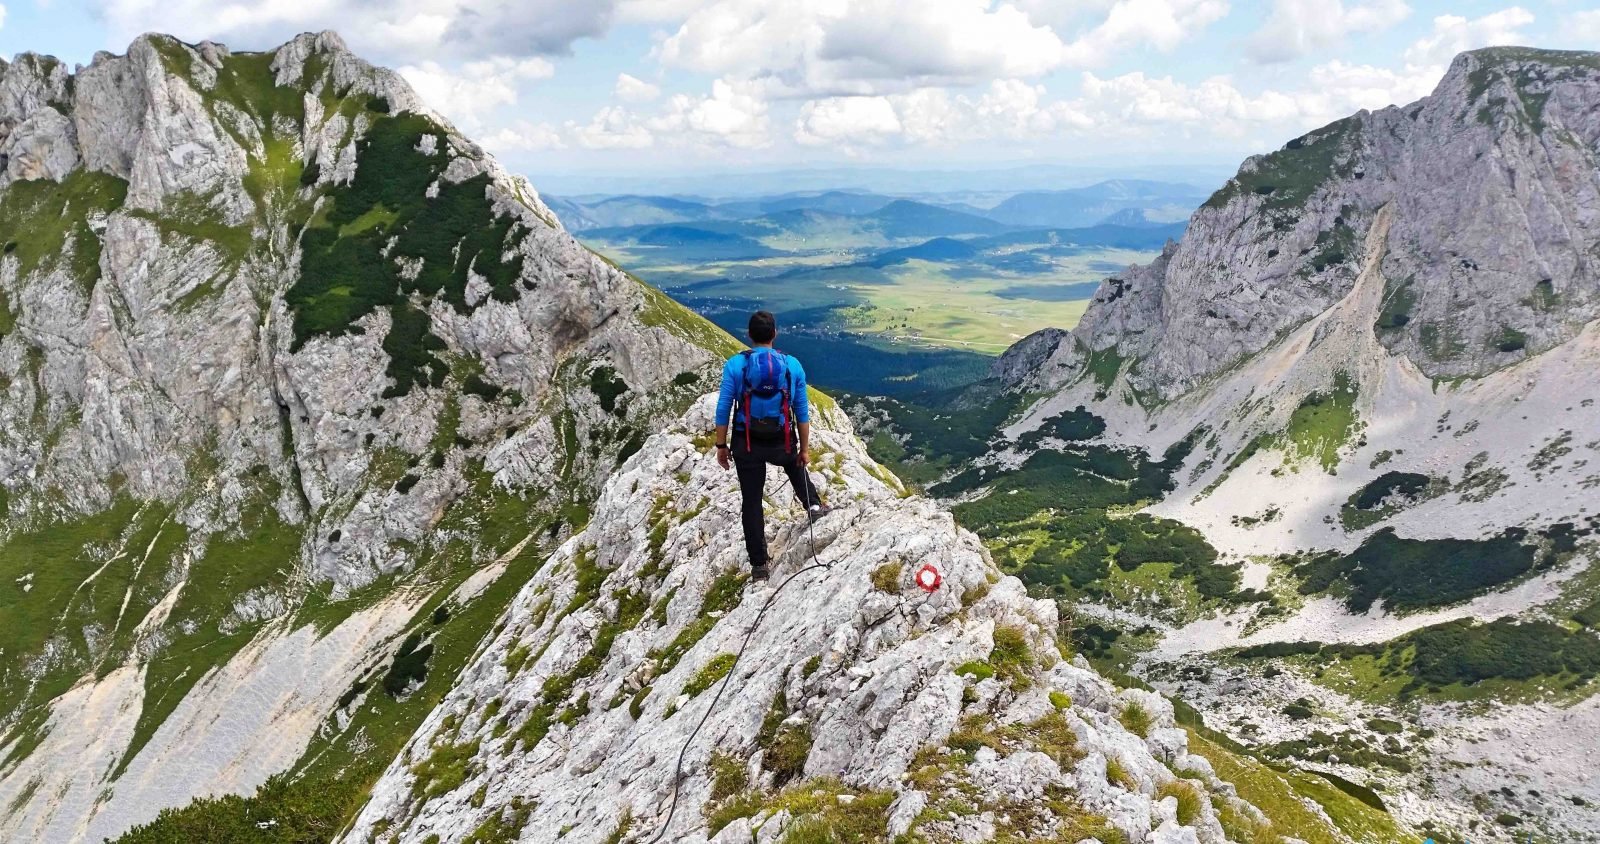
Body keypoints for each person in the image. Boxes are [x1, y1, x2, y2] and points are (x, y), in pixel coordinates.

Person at [714, 311, 828, 580]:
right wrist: (804, 449)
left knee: (751, 502)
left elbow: (723, 408)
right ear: (775, 334)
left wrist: (721, 445)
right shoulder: (792, 366)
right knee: (793, 464)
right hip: (781, 439)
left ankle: (759, 565)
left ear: (749, 335)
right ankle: (812, 507)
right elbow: (801, 410)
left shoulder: (735, 366)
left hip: (746, 442)